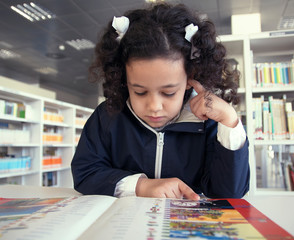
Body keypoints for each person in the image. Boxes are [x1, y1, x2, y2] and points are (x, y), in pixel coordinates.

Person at [71, 3, 249, 200]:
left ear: (191, 78)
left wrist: (230, 121)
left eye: (169, 92)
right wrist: (141, 186)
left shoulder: (207, 123)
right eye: (139, 92)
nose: (154, 107)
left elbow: (229, 192)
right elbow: (85, 173)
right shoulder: (107, 116)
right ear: (124, 79)